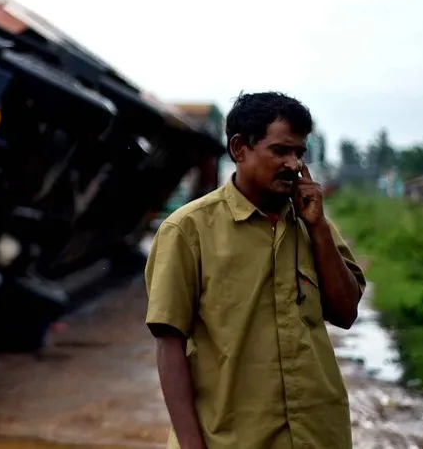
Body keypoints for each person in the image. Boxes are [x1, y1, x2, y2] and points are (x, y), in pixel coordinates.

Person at [145, 92, 366, 449]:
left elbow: (346, 312)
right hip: (232, 440)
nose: (293, 164)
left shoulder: (312, 225)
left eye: (299, 153)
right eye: (280, 151)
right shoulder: (187, 231)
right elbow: (169, 346)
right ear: (239, 148)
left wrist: (319, 228)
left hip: (318, 436)